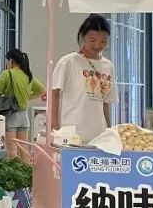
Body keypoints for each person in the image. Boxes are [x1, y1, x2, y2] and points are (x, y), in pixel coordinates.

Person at [50, 14, 116, 144]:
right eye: (92, 40)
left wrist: (109, 130)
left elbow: (105, 102)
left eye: (103, 41)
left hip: (99, 135)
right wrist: (54, 125)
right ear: (82, 36)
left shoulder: (108, 66)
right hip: (71, 134)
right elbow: (54, 93)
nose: (97, 45)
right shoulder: (68, 62)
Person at [0, 49, 44, 160]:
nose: (7, 63)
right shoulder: (27, 75)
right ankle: (26, 171)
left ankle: (14, 172)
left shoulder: (7, 74)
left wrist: (0, 82)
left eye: (7, 61)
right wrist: (27, 97)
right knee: (24, 151)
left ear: (11, 60)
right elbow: (41, 90)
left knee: (12, 152)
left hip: (11, 115)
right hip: (24, 117)